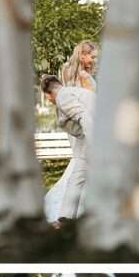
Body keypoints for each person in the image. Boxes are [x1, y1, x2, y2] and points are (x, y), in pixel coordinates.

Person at [40, 75, 96, 225]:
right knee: (76, 179)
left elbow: (84, 117)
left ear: (47, 94)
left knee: (79, 179)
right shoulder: (74, 92)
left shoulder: (63, 97)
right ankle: (65, 219)